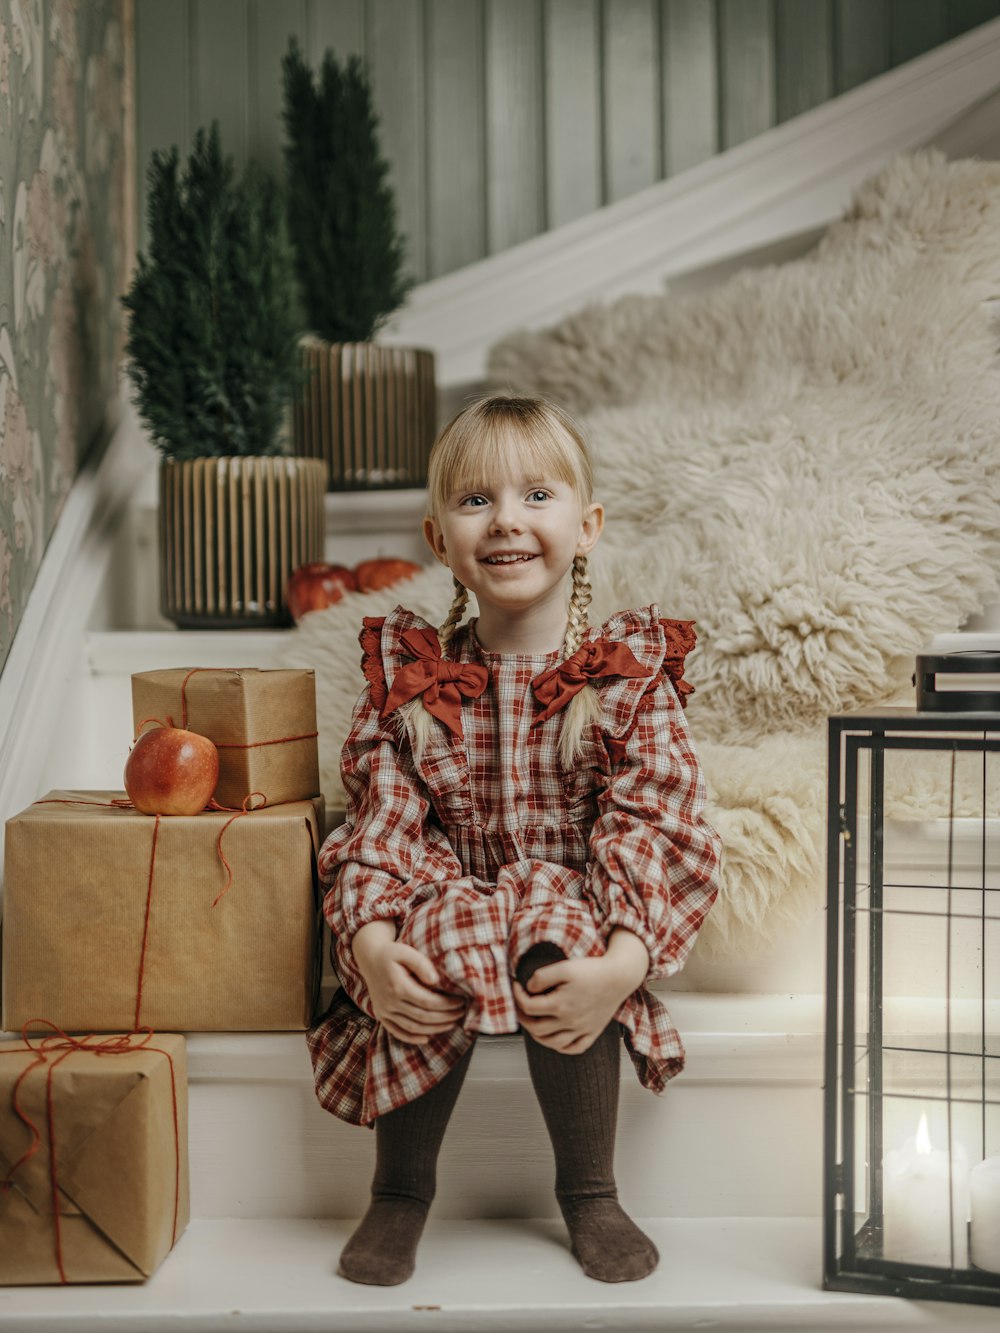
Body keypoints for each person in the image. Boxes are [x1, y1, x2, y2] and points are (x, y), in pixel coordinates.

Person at [308, 394, 721, 1286]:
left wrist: (622, 963)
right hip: (448, 899)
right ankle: (401, 1190)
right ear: (437, 535)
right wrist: (372, 945)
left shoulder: (622, 679)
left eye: (538, 496)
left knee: (555, 933)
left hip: (569, 918)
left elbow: (655, 819)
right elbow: (382, 824)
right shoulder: (414, 684)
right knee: (426, 933)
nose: (507, 521)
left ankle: (590, 1190)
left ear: (587, 526)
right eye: (475, 501)